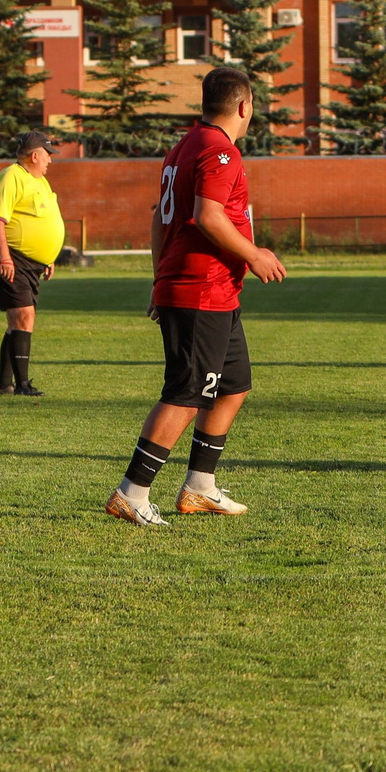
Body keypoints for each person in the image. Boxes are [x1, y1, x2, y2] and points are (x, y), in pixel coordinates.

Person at [109, 68, 289, 526]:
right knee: (187, 394)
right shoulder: (220, 151)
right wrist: (254, 254)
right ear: (244, 106)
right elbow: (208, 216)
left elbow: (159, 217)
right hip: (200, 290)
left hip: (214, 291)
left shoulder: (184, 145)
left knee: (233, 386)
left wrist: (159, 277)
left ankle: (199, 487)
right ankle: (132, 492)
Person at [0, 131, 64, 396]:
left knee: (18, 322)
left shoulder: (40, 181)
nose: (50, 160)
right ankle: (22, 385)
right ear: (35, 156)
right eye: (47, 155)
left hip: (32, 264)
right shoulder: (11, 177)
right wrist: (4, 257)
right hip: (13, 257)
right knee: (23, 317)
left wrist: (48, 256)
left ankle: (3, 385)